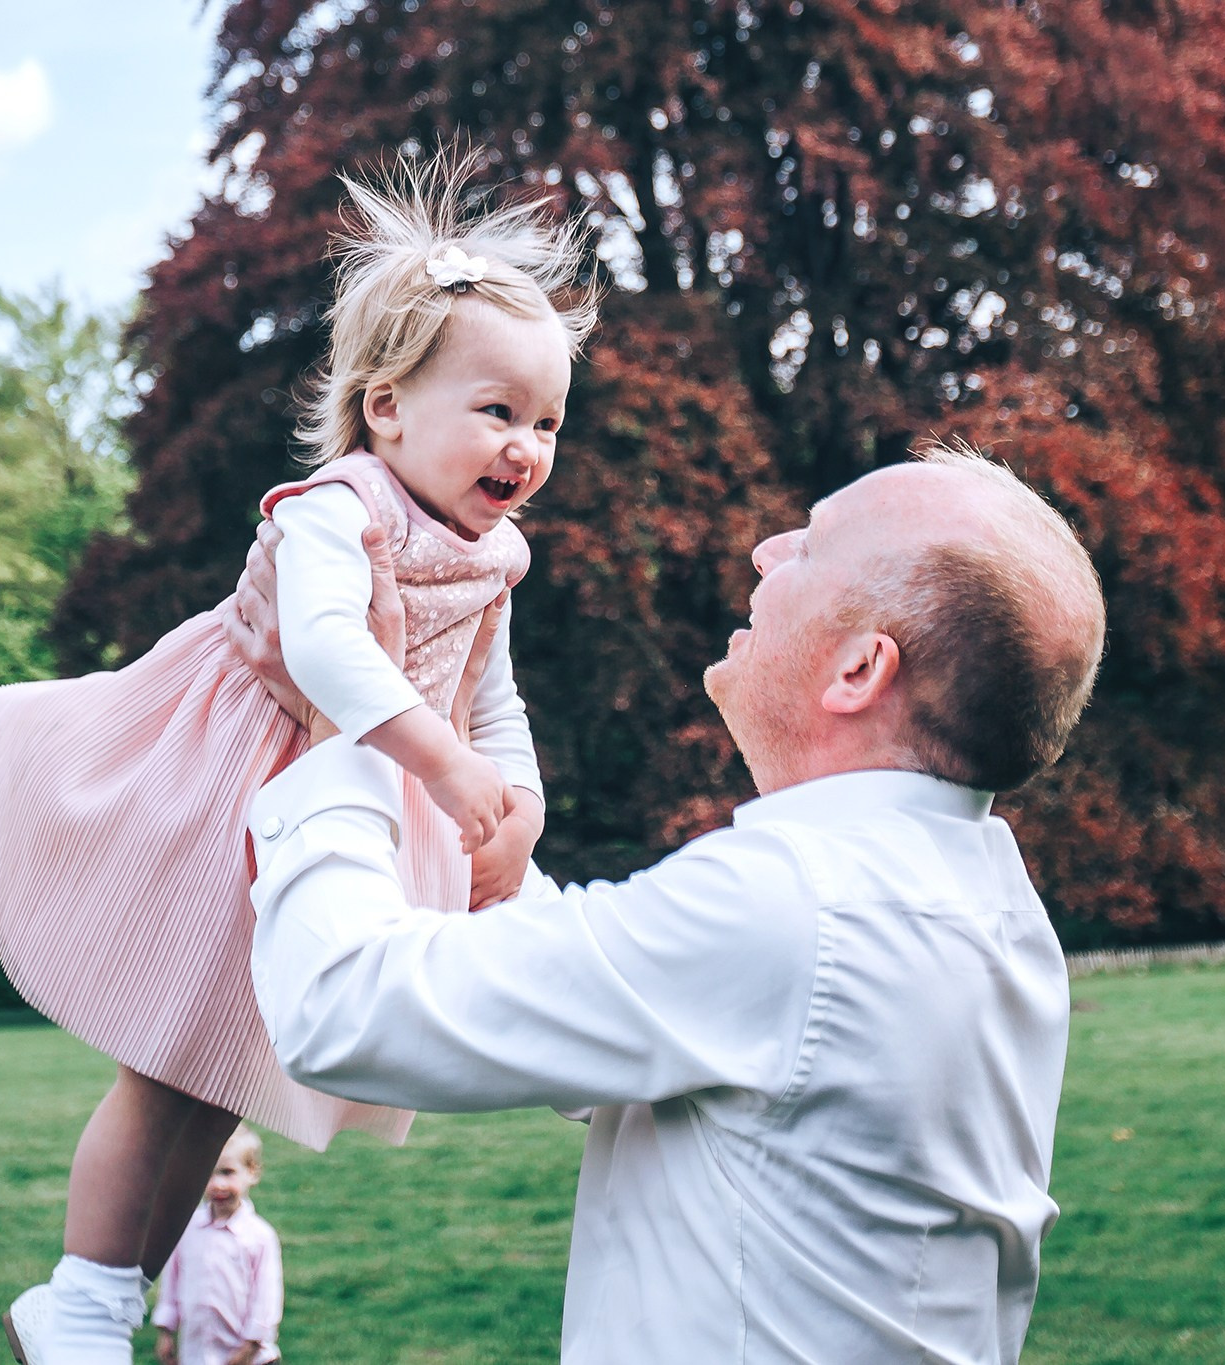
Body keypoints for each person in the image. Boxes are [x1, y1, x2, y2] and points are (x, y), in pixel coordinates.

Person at [0, 148, 599, 1365]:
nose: (526, 446)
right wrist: (441, 772)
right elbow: (325, 651)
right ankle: (77, 1298)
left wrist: (519, 803)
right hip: (231, 783)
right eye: (497, 411)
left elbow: (495, 695)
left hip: (359, 800)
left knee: (215, 1078)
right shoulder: (338, 505)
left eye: (545, 421)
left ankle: (614, 1061)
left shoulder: (495, 557)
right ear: (387, 407)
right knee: (166, 1066)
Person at [225, 442, 1109, 1364]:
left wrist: (340, 738)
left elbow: (343, 1008)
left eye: (810, 545)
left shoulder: (791, 904)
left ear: (859, 670)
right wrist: (446, 776)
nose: (766, 549)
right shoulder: (981, 901)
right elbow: (623, 1006)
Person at [151, 1126, 284, 1365]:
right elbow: (171, 1282)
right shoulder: (187, 1228)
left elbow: (266, 1298)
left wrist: (249, 1347)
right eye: (208, 1173)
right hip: (198, 1354)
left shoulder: (259, 1236)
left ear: (252, 1172)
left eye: (227, 1172)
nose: (217, 1184)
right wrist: (166, 1331)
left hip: (248, 1357)